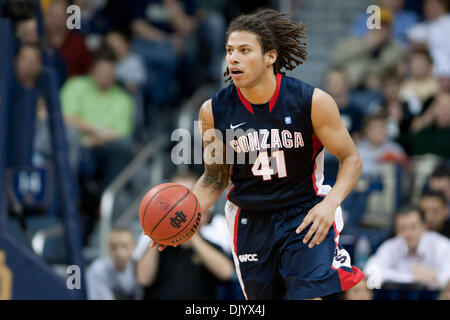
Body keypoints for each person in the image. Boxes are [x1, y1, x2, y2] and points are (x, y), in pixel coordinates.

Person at [151, 9, 365, 300]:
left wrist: (331, 203)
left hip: (304, 213)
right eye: (229, 51)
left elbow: (351, 158)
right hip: (250, 220)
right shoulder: (213, 111)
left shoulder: (311, 101)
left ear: (270, 57)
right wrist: (181, 218)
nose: (233, 58)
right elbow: (215, 179)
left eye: (244, 50)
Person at [134, 171, 235, 300]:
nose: (179, 202)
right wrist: (158, 234)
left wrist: (189, 231)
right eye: (176, 194)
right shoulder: (154, 240)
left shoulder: (213, 237)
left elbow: (226, 273)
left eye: (187, 193)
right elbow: (143, 279)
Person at [364, 207, 450, 290]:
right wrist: (411, 277)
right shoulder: (392, 245)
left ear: (424, 226)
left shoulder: (442, 246)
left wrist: (436, 277)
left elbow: (446, 279)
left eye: (413, 227)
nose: (409, 233)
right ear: (397, 230)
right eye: (403, 228)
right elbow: (370, 269)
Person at [86, 227, 140, 300]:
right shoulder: (98, 269)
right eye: (114, 247)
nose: (119, 252)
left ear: (133, 247)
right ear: (108, 248)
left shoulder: (139, 267)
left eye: (125, 246)